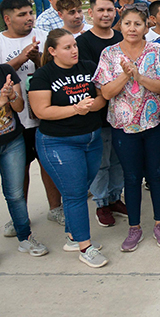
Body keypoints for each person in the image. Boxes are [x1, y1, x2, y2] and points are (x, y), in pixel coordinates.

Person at [95, 5, 160, 252]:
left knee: (158, 173)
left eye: (138, 24)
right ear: (120, 25)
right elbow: (106, 92)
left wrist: (139, 77)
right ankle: (134, 228)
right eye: (128, 23)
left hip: (155, 123)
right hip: (123, 126)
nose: (132, 28)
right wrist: (126, 75)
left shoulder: (156, 50)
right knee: (131, 177)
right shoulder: (109, 54)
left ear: (146, 27)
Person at [29, 29, 109, 267]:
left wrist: (92, 106)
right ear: (52, 51)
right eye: (67, 47)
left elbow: (102, 95)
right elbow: (41, 111)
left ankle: (73, 235)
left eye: (74, 45)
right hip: (59, 142)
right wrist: (76, 109)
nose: (73, 50)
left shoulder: (87, 66)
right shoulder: (43, 75)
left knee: (83, 186)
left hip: (92, 138)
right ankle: (85, 247)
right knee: (75, 195)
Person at [0, 0, 64, 228]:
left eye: (30, 13)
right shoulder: (0, 43)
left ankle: (55, 208)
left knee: (48, 165)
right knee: (19, 171)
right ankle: (20, 215)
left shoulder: (44, 37)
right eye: (22, 14)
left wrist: (39, 61)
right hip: (14, 120)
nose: (29, 18)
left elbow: (56, 70)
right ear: (7, 19)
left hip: (44, 115)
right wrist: (21, 59)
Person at [76, 0, 126, 228]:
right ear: (91, 13)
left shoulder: (120, 37)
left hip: (124, 108)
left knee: (118, 159)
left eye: (110, 10)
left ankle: (115, 197)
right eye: (101, 10)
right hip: (99, 109)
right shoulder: (83, 42)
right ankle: (101, 203)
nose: (106, 14)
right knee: (101, 161)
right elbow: (89, 78)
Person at [0, 57, 49, 258]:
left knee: (15, 194)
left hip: (12, 141)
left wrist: (11, 96)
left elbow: (20, 108)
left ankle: (25, 238)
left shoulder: (5, 70)